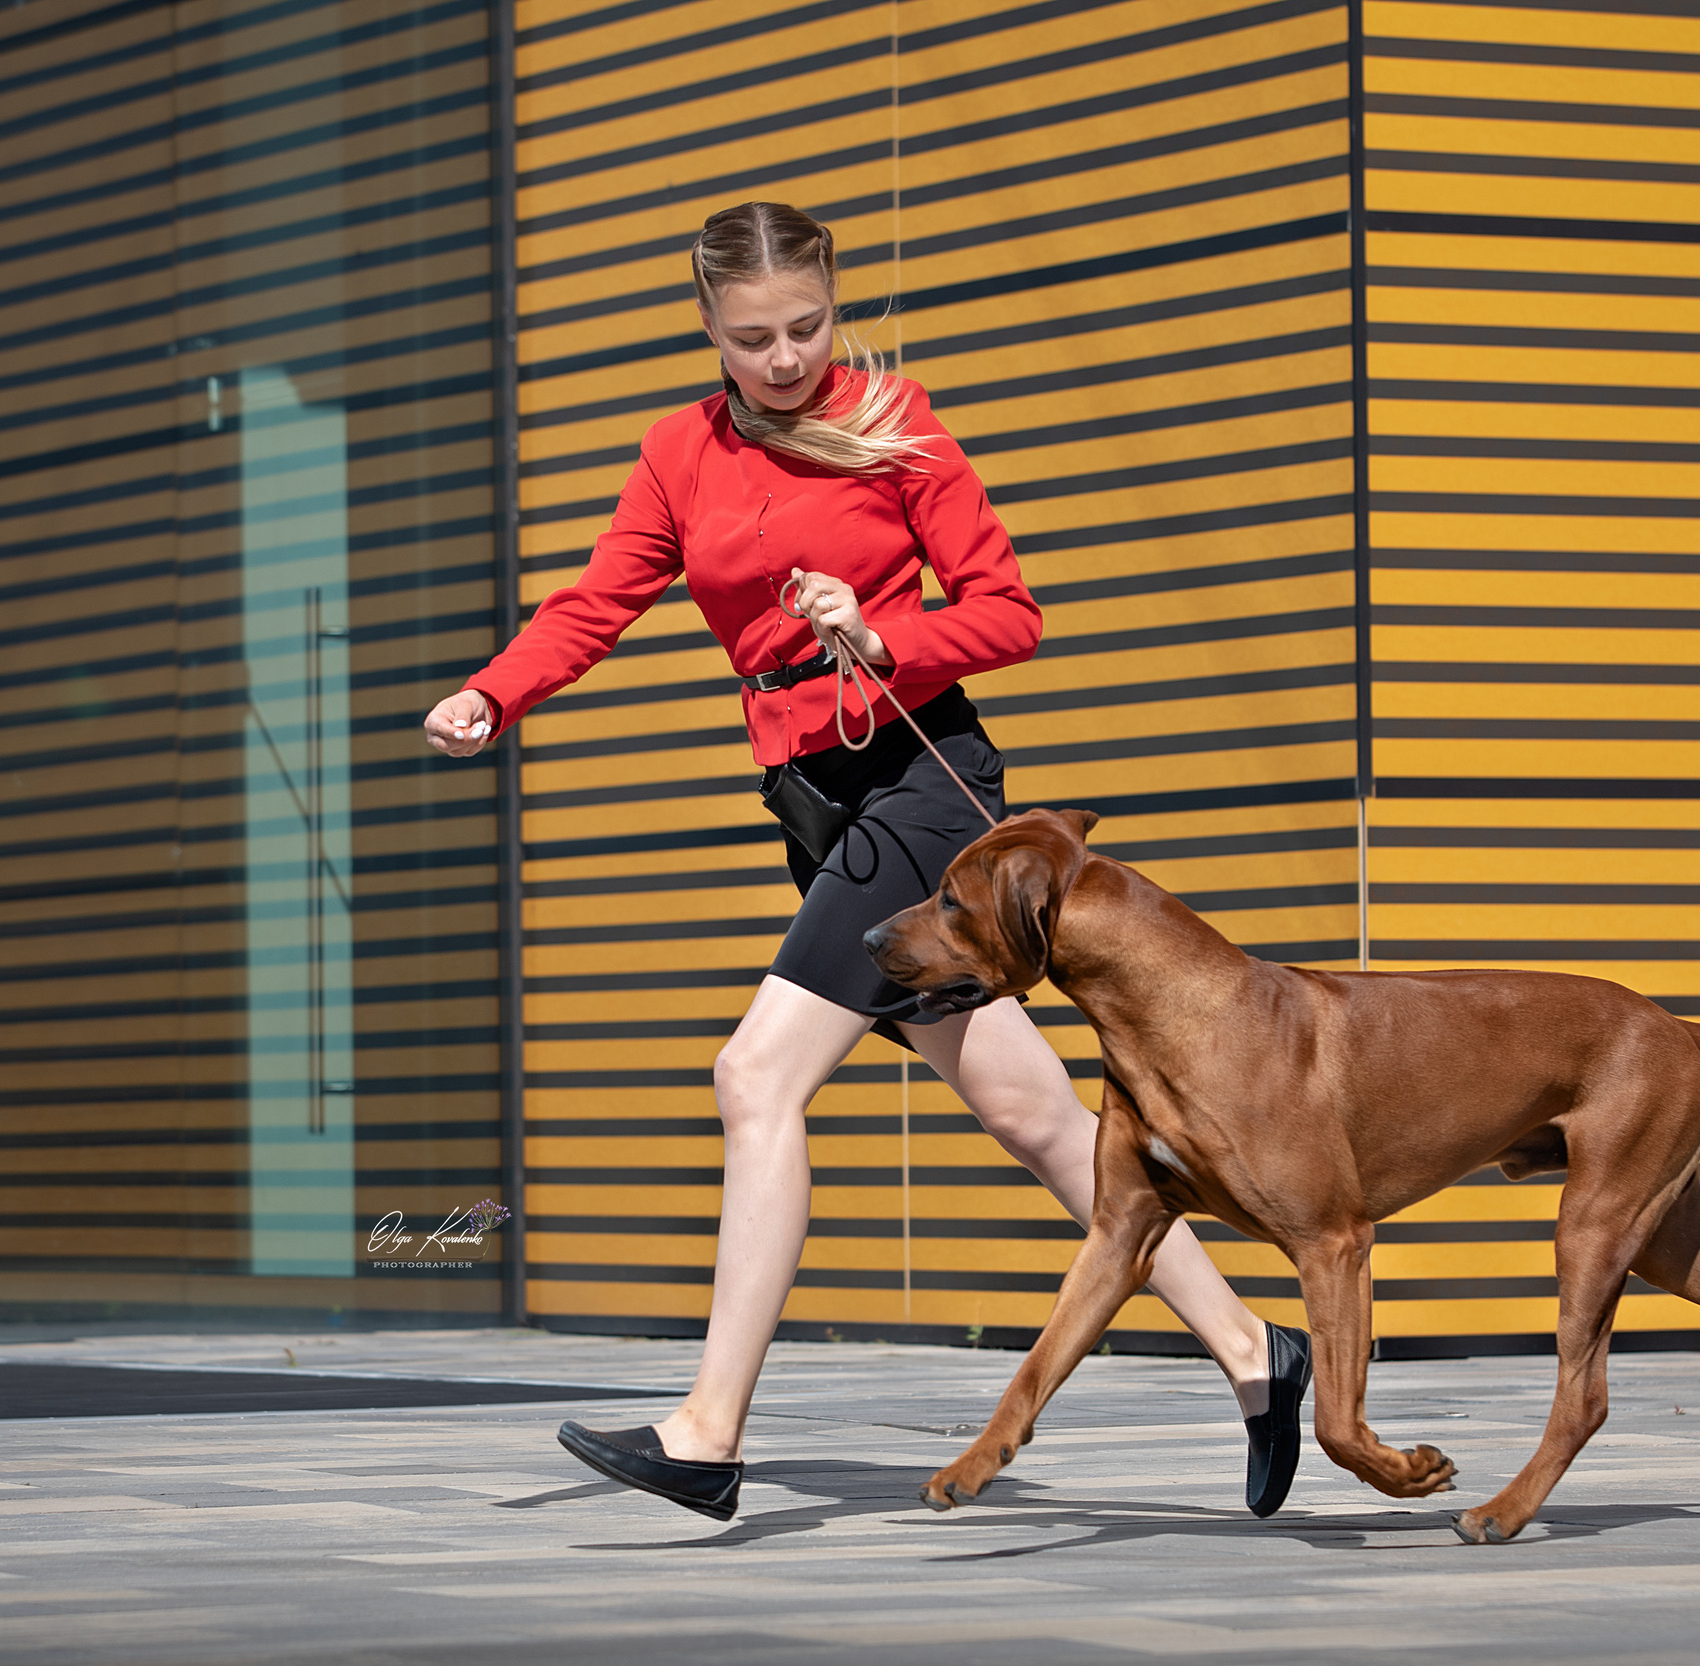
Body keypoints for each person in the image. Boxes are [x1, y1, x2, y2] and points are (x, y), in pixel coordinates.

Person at [424, 201, 1307, 1523]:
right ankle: (1255, 1350)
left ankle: (708, 1431)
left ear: (837, 306)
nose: (784, 360)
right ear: (710, 331)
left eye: (807, 328)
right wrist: (498, 695)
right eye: (752, 339)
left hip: (920, 793)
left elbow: (1009, 611)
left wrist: (885, 634)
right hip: (821, 812)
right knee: (1037, 1119)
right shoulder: (679, 452)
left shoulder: (898, 422)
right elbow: (599, 600)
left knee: (754, 1077)